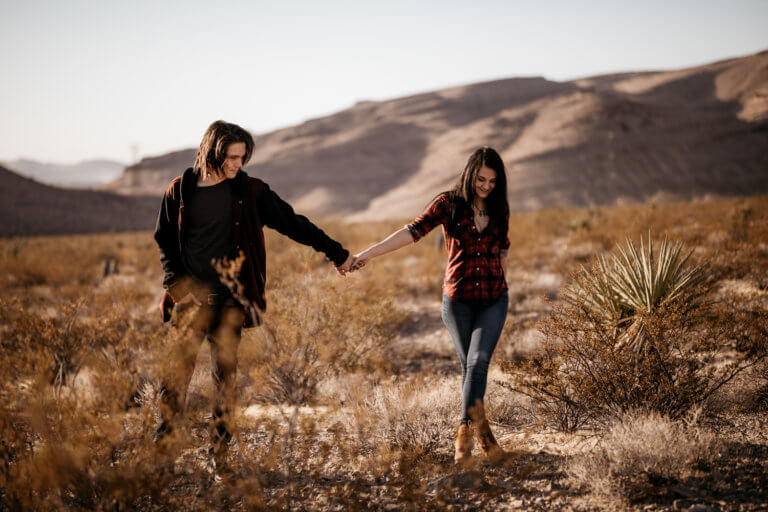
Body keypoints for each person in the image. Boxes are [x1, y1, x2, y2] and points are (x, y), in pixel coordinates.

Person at [153, 120, 355, 466]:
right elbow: (165, 240)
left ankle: (219, 458)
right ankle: (161, 459)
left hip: (230, 303)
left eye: (242, 158)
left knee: (224, 385)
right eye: (231, 157)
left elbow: (294, 223)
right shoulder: (180, 191)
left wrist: (337, 253)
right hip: (189, 303)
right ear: (211, 151)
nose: (237, 165)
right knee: (174, 382)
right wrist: (176, 285)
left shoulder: (251, 192)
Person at [353, 147, 510, 464]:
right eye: (481, 179)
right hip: (458, 301)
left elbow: (503, 251)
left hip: (493, 299)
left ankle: (463, 437)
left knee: (478, 362)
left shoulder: (500, 208)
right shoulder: (448, 203)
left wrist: (502, 279)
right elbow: (411, 231)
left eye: (493, 181)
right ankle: (486, 437)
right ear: (469, 174)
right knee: (469, 368)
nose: (486, 186)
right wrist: (366, 255)